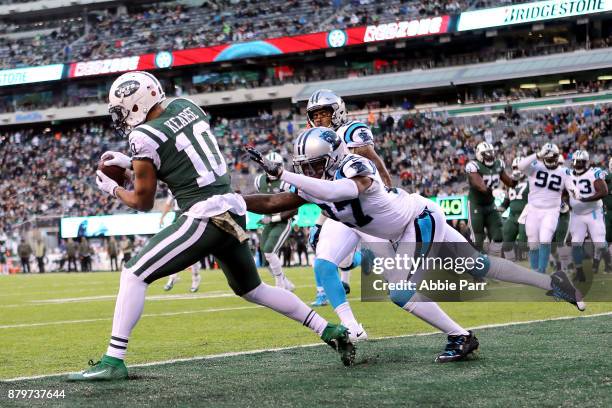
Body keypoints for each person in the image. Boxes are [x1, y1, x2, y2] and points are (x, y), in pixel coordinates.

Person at [67, 71, 354, 382]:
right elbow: (179, 157)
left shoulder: (143, 136)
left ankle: (113, 360)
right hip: (231, 210)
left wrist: (111, 188)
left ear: (136, 104)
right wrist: (131, 161)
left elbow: (143, 201)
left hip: (204, 216)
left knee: (134, 273)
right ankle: (330, 330)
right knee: (253, 289)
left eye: (122, 110)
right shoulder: (184, 107)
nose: (121, 118)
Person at [245, 127, 586, 363]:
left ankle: (460, 336)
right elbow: (275, 203)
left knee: (400, 292)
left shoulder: (353, 164)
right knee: (479, 266)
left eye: (315, 164)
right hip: (409, 225)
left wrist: (288, 175)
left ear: (331, 157)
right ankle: (551, 283)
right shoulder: (314, 182)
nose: (310, 171)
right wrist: (232, 199)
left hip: (417, 220)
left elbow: (340, 192)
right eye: (304, 166)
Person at [304, 89, 392, 341]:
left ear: (337, 111)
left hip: (369, 208)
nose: (319, 119)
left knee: (398, 283)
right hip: (342, 211)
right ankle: (353, 327)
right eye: (315, 115)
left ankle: (455, 330)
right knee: (323, 263)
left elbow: (367, 154)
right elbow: (325, 186)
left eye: (324, 113)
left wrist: (387, 183)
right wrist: (320, 222)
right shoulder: (315, 140)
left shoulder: (351, 129)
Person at [517, 143, 571, 274]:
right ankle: (535, 270)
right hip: (533, 209)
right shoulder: (535, 167)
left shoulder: (564, 171)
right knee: (533, 242)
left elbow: (571, 187)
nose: (552, 160)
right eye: (550, 157)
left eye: (554, 157)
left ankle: (541, 270)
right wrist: (537, 155)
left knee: (546, 239)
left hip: (551, 210)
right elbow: (521, 166)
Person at [253, 153, 297, 291]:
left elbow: (294, 210)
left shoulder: (286, 182)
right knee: (266, 259)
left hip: (283, 222)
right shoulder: (259, 181)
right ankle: (287, 284)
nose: (273, 168)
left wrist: (272, 218)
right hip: (268, 222)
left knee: (269, 251)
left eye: (276, 166)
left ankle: (280, 285)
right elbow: (261, 202)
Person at [465, 142, 517, 256]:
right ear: (479, 154)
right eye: (486, 153)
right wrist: (492, 191)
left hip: (490, 205)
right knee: (477, 238)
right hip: (476, 205)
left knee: (499, 235)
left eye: (491, 152)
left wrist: (516, 180)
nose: (490, 155)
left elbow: (509, 182)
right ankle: (476, 263)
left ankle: (493, 260)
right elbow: (479, 185)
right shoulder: (473, 166)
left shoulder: (498, 164)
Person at [565, 150, 609, 280]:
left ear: (585, 162)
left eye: (580, 161)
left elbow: (604, 191)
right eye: (575, 161)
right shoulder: (567, 174)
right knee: (576, 243)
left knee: (600, 243)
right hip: (577, 214)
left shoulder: (593, 173)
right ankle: (579, 271)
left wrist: (585, 199)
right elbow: (563, 192)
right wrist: (563, 202)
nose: (577, 164)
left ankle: (608, 261)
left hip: (593, 212)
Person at [159, 192, 201, 292]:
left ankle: (195, 277)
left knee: (192, 249)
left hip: (191, 214)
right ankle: (173, 277)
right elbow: (169, 203)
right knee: (171, 249)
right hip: (178, 216)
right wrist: (162, 217)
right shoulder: (172, 185)